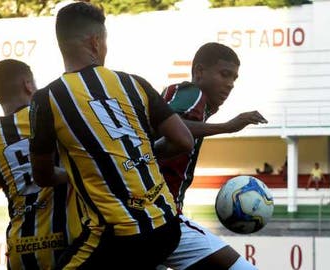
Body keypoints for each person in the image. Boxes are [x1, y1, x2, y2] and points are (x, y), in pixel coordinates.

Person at [28, 2, 194, 269]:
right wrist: (139, 155)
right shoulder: (134, 82)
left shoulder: (46, 99)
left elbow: (43, 176)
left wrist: (81, 172)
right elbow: (183, 140)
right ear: (95, 42)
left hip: (118, 238)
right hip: (167, 226)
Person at [158, 43, 264, 269]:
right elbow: (165, 126)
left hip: (153, 217)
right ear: (199, 71)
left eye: (234, 79)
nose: (230, 85)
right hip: (159, 216)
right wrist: (228, 127)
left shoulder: (193, 103)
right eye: (224, 74)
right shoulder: (192, 94)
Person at [0, 59, 81, 269]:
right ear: (27, 85)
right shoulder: (55, 116)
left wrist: (13, 170)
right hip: (69, 243)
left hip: (20, 248)